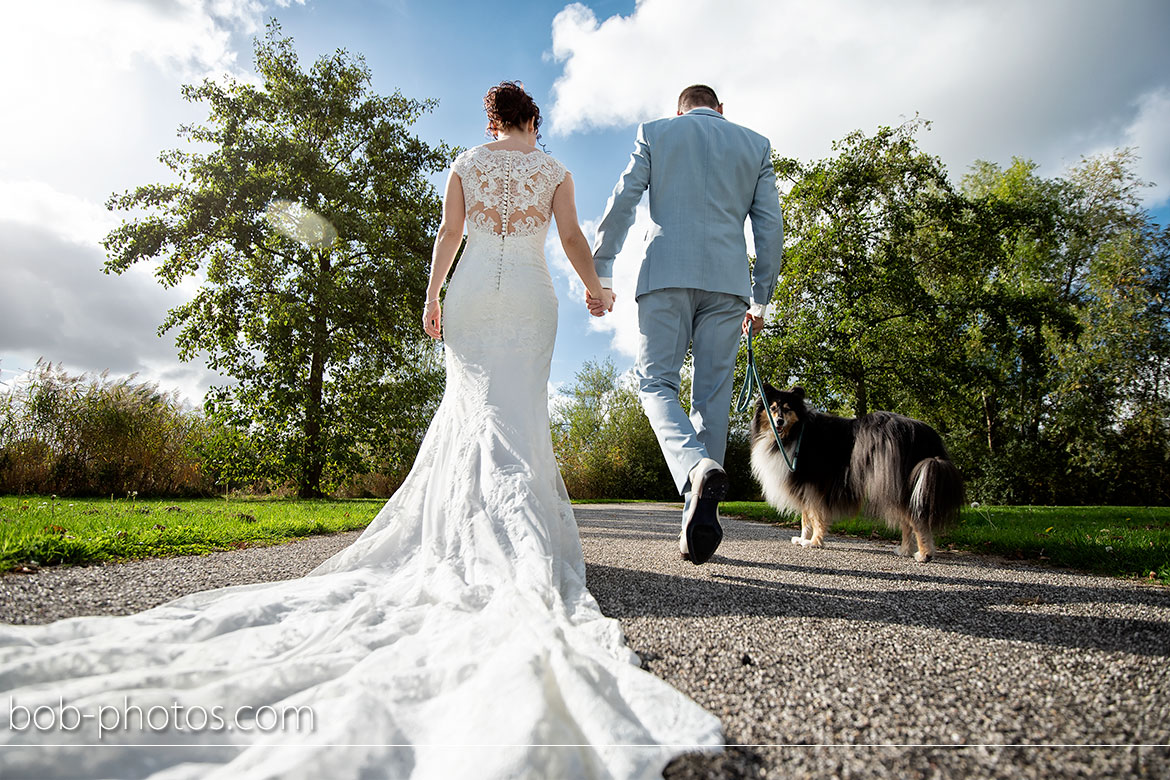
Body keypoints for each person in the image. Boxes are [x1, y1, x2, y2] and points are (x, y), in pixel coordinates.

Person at [0, 82, 722, 779]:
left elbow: (448, 234)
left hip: (473, 297)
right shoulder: (555, 169)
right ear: (532, 120)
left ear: (492, 120)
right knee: (517, 414)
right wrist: (595, 288)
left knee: (476, 415)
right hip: (531, 300)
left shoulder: (465, 165)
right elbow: (569, 236)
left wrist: (433, 296)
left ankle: (475, 534)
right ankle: (513, 538)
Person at [589, 84, 784, 566]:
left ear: (679, 110)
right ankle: (695, 524)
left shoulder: (656, 133)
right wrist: (761, 300)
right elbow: (770, 228)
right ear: (721, 110)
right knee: (712, 398)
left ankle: (696, 468)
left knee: (654, 382)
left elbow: (623, 201)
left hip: (666, 276)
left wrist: (603, 270)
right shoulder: (754, 145)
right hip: (728, 283)